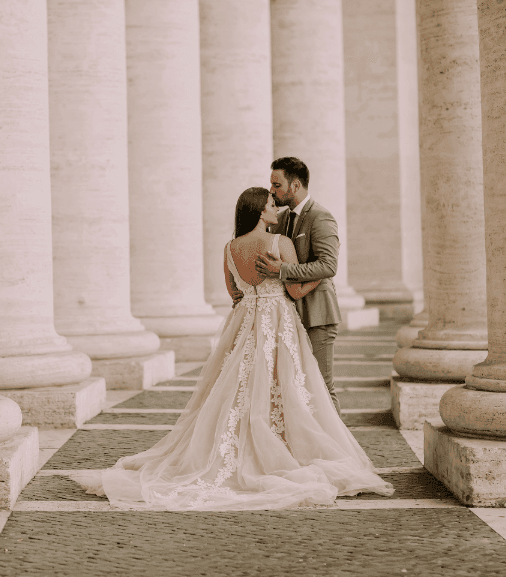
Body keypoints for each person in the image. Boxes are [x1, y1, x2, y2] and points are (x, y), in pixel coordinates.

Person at [71, 187, 393, 510]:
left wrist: (253, 297)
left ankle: (239, 451)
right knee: (286, 387)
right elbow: (294, 291)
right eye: (269, 205)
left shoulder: (229, 249)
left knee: (237, 389)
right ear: (258, 212)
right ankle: (282, 451)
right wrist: (318, 281)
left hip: (244, 323)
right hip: (278, 322)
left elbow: (233, 292)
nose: (275, 209)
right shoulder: (279, 243)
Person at [254, 157, 343, 416]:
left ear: (294, 185)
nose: (271, 190)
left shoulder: (320, 216)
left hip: (318, 314)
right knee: (296, 386)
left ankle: (337, 449)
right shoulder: (280, 220)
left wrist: (281, 270)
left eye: (276, 184)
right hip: (288, 315)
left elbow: (328, 266)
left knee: (323, 388)